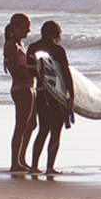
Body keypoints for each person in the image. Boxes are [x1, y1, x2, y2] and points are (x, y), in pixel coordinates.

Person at [27, 21, 73, 176]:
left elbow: (32, 73)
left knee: (43, 129)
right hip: (56, 95)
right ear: (57, 34)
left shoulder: (32, 48)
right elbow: (65, 74)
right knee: (55, 131)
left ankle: (34, 166)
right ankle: (50, 167)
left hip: (40, 92)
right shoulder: (58, 50)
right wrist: (71, 96)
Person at [2, 13, 38, 173]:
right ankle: (15, 162)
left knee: (31, 124)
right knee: (21, 125)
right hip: (21, 88)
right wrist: (33, 71)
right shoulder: (11, 45)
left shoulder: (20, 44)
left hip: (28, 86)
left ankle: (22, 159)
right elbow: (15, 70)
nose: (27, 31)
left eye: (29, 27)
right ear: (15, 27)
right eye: (24, 27)